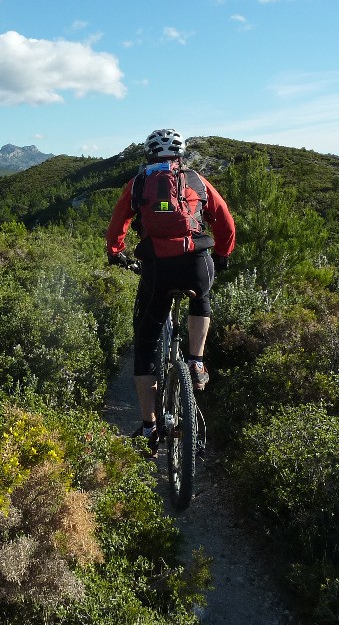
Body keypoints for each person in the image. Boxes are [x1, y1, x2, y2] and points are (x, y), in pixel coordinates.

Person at [105, 128, 236, 449]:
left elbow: (117, 224)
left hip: (157, 268)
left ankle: (150, 428)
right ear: (180, 154)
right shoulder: (196, 180)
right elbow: (225, 222)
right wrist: (222, 254)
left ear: (149, 154)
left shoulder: (138, 183)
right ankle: (196, 361)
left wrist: (116, 253)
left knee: (146, 345)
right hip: (195, 262)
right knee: (200, 300)